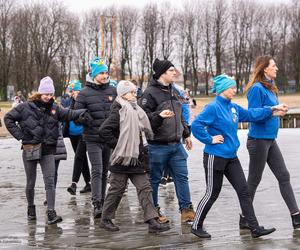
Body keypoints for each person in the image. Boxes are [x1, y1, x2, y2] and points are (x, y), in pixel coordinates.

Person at [190, 74, 288, 238]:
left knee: (244, 191)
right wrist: (209, 139)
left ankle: (255, 228)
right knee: (212, 193)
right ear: (222, 89)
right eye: (232, 88)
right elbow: (196, 125)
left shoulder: (232, 107)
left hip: (231, 157)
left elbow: (251, 114)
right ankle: (196, 225)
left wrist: (273, 110)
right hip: (215, 157)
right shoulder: (213, 107)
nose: (235, 90)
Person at [4, 76, 89, 224]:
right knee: (31, 182)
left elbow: (69, 114)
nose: (48, 97)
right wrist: (20, 136)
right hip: (30, 147)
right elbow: (8, 118)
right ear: (39, 93)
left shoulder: (55, 108)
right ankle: (31, 208)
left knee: (50, 181)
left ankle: (51, 212)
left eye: (51, 94)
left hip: (49, 149)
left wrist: (85, 110)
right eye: (46, 94)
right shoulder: (25, 107)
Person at [98, 80, 170, 233]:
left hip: (137, 158)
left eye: (134, 91)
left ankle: (152, 221)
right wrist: (120, 146)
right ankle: (105, 219)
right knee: (117, 189)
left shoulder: (136, 109)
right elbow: (104, 131)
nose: (134, 94)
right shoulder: (118, 110)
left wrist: (160, 116)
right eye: (131, 92)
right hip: (122, 159)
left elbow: (147, 126)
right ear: (123, 95)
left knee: (145, 188)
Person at [240, 55, 300, 229]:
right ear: (265, 69)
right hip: (258, 140)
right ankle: (244, 217)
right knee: (254, 180)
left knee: (284, 176)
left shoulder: (270, 87)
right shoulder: (256, 89)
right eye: (274, 65)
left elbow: (267, 112)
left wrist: (277, 112)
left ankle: (296, 217)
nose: (277, 68)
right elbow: (253, 114)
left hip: (270, 139)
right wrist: (273, 109)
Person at [139, 58, 195, 223]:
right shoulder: (149, 93)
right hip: (157, 146)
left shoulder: (174, 91)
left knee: (182, 177)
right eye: (171, 70)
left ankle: (186, 210)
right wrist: (158, 116)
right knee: (154, 180)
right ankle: (153, 211)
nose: (175, 73)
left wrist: (186, 134)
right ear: (162, 73)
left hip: (176, 145)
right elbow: (142, 118)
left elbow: (180, 115)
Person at [74, 57, 117, 218]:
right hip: (92, 138)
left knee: (105, 171)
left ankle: (104, 200)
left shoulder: (112, 91)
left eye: (106, 72)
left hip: (108, 138)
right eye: (101, 73)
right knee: (97, 170)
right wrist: (83, 118)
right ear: (94, 74)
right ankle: (97, 203)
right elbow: (76, 116)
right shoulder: (84, 93)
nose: (105, 76)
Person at [64, 80, 91, 195]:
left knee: (79, 156)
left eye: (77, 91)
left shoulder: (84, 101)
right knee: (82, 158)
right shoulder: (69, 102)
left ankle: (74, 183)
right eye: (72, 91)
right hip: (72, 134)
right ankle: (88, 183)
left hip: (83, 133)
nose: (74, 93)